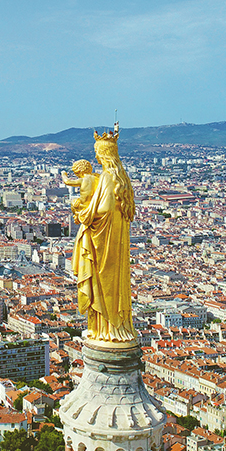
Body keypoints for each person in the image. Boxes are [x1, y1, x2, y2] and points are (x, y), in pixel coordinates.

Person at [69, 130, 137, 343]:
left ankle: (106, 329)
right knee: (116, 284)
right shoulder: (121, 179)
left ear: (104, 155)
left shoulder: (107, 177)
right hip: (115, 238)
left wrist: (82, 213)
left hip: (103, 240)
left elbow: (104, 210)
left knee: (102, 284)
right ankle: (115, 326)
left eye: (98, 153)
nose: (96, 158)